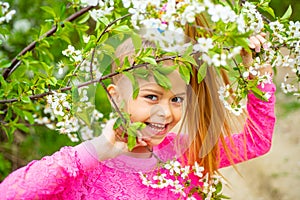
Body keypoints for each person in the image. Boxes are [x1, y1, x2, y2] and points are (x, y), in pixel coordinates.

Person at [0, 26, 276, 199]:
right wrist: (95, 151)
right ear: (116, 97)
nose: (165, 112)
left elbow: (256, 141)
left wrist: (258, 73)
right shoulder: (85, 168)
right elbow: (10, 194)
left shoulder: (188, 154)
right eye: (151, 96)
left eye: (177, 99)